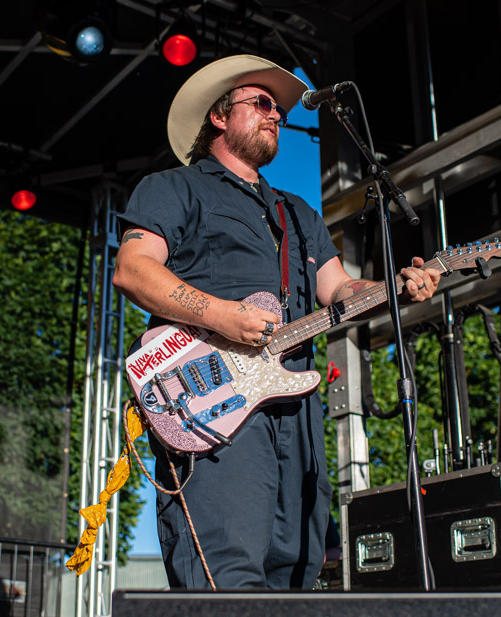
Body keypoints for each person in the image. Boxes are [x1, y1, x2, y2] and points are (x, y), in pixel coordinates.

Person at [112, 54, 440, 589]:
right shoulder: (174, 188)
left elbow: (340, 291)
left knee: (298, 570)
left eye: (279, 110)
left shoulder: (299, 212)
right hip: (212, 406)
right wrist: (221, 315)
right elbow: (132, 270)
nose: (275, 115)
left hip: (296, 411)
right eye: (261, 103)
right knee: (226, 571)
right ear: (219, 116)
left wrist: (397, 289)